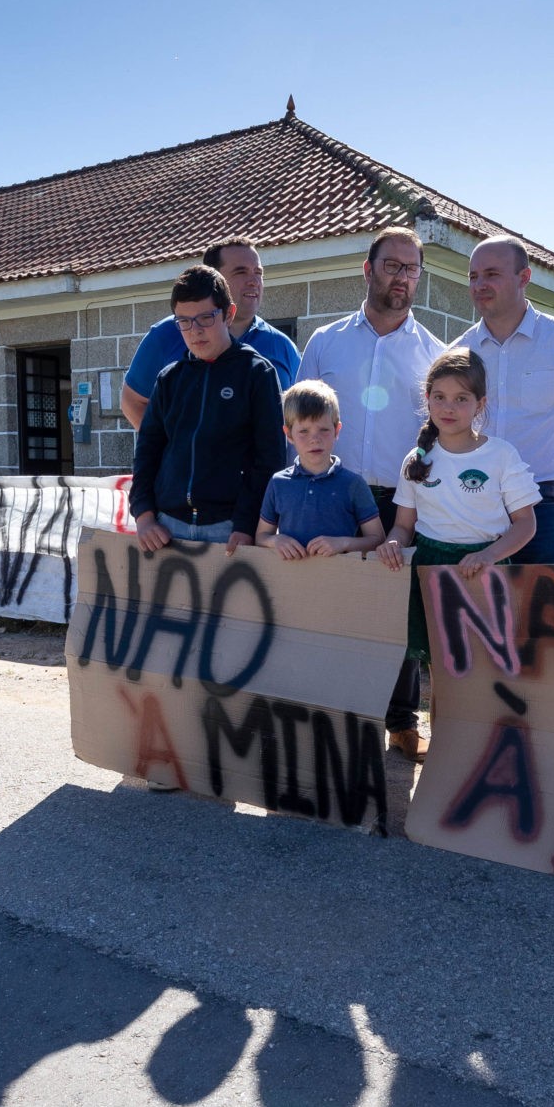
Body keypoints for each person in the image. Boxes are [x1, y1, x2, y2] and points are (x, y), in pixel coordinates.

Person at [301, 227, 447, 751]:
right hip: (333, 493)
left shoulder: (434, 352)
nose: (402, 278)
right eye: (392, 266)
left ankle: (402, 720)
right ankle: (334, 718)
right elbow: (299, 417)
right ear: (367, 269)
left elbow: (442, 433)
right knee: (333, 608)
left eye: (412, 269)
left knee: (398, 614)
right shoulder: (325, 342)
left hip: (400, 500)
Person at [377, 349, 539, 667]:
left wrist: (488, 556)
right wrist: (394, 541)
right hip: (431, 570)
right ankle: (443, 720)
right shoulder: (416, 459)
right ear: (427, 399)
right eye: (439, 396)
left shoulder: (502, 455)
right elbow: (403, 525)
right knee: (442, 666)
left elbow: (525, 524)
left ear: (481, 404)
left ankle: (482, 720)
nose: (448, 407)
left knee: (487, 665)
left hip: (486, 570)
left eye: (461, 398)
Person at [448, 236, 554, 563]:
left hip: (541, 505)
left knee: (543, 610)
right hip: (473, 501)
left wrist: (530, 476)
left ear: (524, 277)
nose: (480, 284)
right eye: (473, 276)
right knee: (479, 610)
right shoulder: (458, 353)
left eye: (492, 274)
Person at [128, 265, 287, 553]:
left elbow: (270, 459)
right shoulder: (169, 379)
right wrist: (144, 515)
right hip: (165, 529)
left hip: (230, 531)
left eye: (205, 317)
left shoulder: (258, 374)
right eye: (184, 321)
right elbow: (147, 452)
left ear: (228, 314)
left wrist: (246, 524)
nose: (195, 331)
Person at [118, 240, 301, 429]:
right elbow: (132, 401)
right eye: (241, 272)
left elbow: (302, 417)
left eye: (258, 272)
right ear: (214, 278)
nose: (253, 281)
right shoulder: (167, 334)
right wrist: (169, 451)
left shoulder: (283, 347)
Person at [255, 381, 387, 559]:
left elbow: (378, 539)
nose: (314, 439)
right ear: (288, 435)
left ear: (337, 430)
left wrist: (343, 543)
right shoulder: (278, 483)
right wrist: (276, 541)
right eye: (304, 431)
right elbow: (261, 537)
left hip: (340, 582)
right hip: (290, 582)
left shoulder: (354, 484)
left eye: (323, 429)